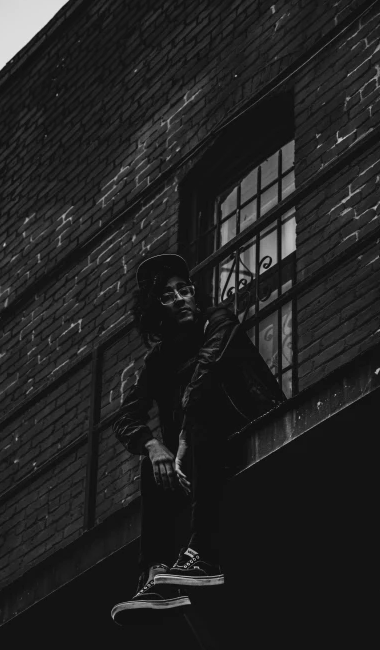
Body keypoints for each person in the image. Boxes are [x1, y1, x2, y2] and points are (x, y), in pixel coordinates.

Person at [111, 252, 286, 625]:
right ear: (156, 309)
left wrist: (184, 439)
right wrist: (155, 446)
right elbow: (125, 418)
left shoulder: (217, 320)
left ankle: (203, 554)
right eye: (168, 295)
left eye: (184, 289)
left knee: (201, 409)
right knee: (148, 465)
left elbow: (205, 373)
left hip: (247, 424)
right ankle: (157, 577)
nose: (180, 298)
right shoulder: (157, 360)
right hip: (197, 456)